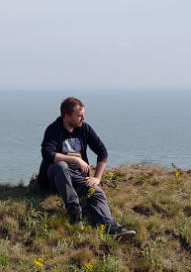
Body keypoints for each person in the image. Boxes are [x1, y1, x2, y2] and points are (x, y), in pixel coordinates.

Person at [38, 97, 135, 237]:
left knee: (97, 192)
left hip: (77, 176)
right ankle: (74, 212)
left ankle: (110, 227)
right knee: (61, 166)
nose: (83, 117)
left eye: (83, 114)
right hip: (55, 175)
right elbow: (47, 154)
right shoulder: (54, 130)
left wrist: (97, 177)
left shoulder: (85, 129)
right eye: (79, 115)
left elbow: (102, 152)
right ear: (67, 116)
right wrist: (75, 160)